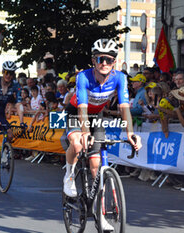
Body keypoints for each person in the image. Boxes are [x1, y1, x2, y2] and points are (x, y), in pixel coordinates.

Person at [63, 38, 142, 230]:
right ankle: (70, 175)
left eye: (108, 59)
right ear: (93, 61)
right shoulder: (83, 77)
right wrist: (84, 132)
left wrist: (130, 132)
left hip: (96, 115)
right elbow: (81, 108)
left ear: (114, 62)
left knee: (96, 165)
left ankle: (101, 214)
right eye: (100, 59)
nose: (104, 63)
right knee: (77, 143)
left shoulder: (120, 78)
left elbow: (124, 108)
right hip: (76, 113)